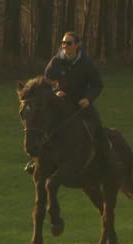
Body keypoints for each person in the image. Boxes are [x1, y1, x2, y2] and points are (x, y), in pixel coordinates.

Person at [23, 31, 122, 176]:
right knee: (45, 125)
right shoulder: (56, 62)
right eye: (63, 43)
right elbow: (46, 82)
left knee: (97, 126)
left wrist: (88, 99)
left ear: (77, 45)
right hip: (61, 101)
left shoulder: (86, 64)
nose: (65, 46)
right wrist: (56, 91)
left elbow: (97, 85)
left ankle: (108, 159)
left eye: (69, 43)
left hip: (81, 103)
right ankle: (37, 162)